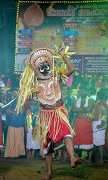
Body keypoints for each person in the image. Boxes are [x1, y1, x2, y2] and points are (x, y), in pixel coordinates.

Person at [15, 46, 81, 180]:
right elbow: (25, 98)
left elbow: (72, 69)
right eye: (40, 65)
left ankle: (72, 158)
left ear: (49, 64)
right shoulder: (34, 83)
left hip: (59, 111)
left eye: (46, 64)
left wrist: (63, 56)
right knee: (48, 144)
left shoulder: (57, 76)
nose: (44, 67)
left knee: (67, 134)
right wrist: (27, 109)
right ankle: (49, 172)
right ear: (36, 68)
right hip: (45, 115)